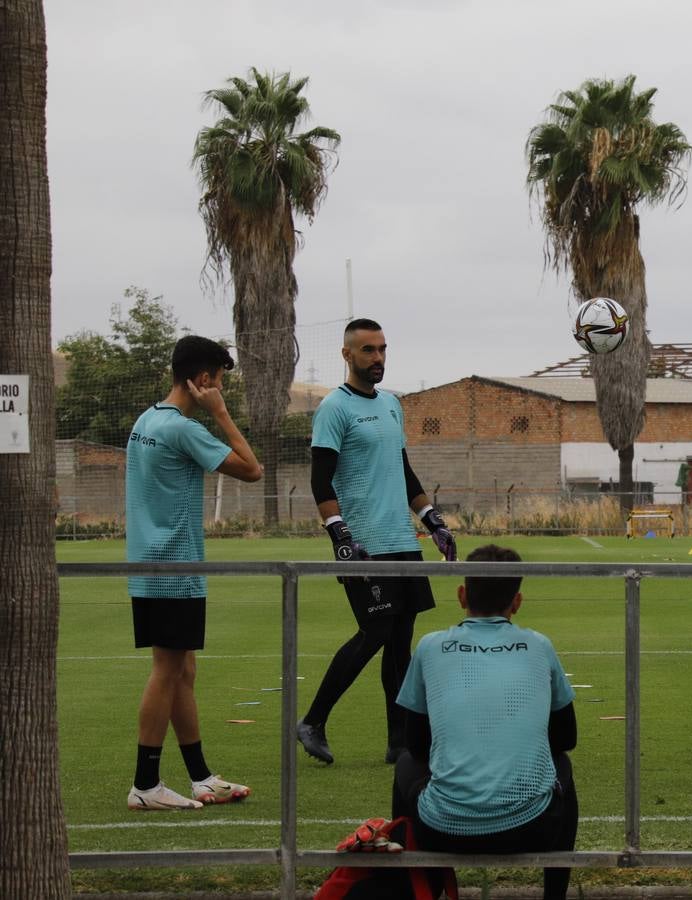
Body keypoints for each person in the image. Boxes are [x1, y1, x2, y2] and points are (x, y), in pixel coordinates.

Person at [298, 318, 457, 766]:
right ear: (347, 355)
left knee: (401, 640)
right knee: (377, 631)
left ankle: (399, 741)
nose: (378, 358)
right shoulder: (334, 408)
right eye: (368, 350)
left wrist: (433, 521)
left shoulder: (391, 405)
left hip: (401, 540)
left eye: (383, 349)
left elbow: (403, 470)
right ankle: (312, 720)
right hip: (364, 543)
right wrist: (340, 536)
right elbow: (319, 479)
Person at [394, 544, 578, 900]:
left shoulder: (430, 646)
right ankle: (554, 894)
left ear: (461, 595)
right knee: (562, 767)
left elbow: (413, 742)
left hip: (441, 828)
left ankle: (420, 890)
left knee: (405, 763)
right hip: (532, 828)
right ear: (517, 602)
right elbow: (566, 737)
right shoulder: (539, 645)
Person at [125, 336, 262, 810]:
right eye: (219, 380)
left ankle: (201, 777)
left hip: (150, 565)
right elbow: (252, 469)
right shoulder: (182, 428)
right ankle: (145, 785)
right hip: (174, 568)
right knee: (168, 670)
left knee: (183, 669)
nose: (219, 388)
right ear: (203, 380)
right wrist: (222, 415)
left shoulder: (146, 420)